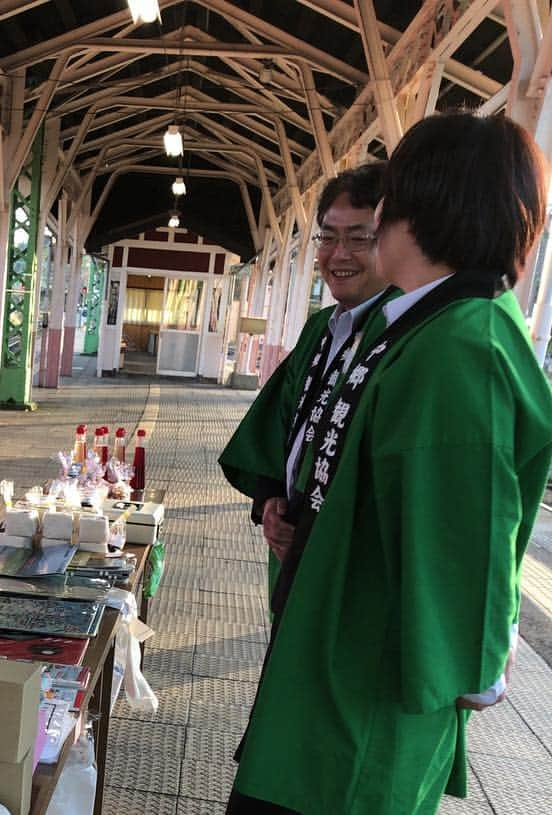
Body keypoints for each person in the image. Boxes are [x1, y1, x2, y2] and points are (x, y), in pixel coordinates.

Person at [227, 112, 552, 814]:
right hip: (336, 677)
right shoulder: (436, 329)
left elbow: (463, 541)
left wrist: (474, 662)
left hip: (358, 710)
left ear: (418, 205)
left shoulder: (461, 348)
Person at [219, 162, 394, 599]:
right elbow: (280, 421)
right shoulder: (320, 329)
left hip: (347, 569)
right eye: (328, 237)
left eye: (359, 239)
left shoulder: (400, 339)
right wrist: (271, 502)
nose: (339, 254)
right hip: (291, 546)